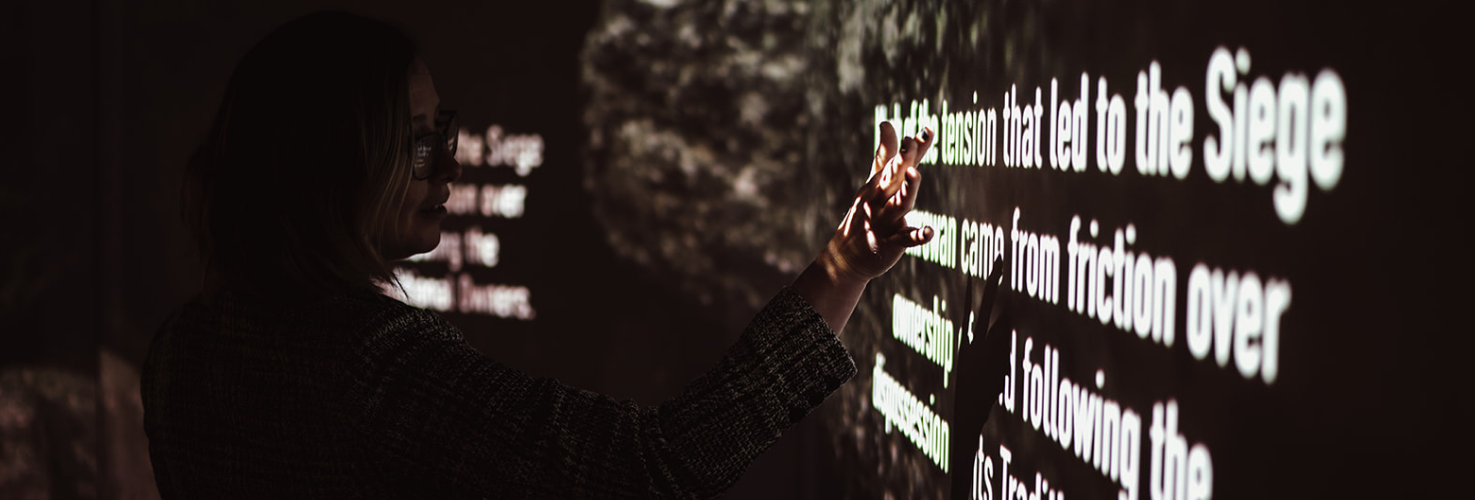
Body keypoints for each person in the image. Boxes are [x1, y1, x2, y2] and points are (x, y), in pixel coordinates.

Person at [142, 11, 952, 499]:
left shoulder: (185, 349)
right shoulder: (374, 370)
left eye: (444, 133)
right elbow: (652, 470)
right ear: (336, 164)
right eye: (421, 144)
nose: (451, 164)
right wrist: (842, 269)